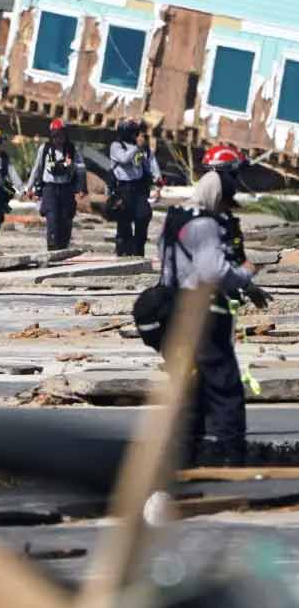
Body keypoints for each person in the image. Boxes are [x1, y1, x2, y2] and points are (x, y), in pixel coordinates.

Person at [158, 171, 270, 468]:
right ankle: (232, 454)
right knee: (224, 385)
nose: (225, 212)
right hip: (203, 313)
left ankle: (187, 453)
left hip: (173, 308)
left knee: (190, 384)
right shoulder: (205, 224)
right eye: (225, 204)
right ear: (217, 198)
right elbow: (213, 272)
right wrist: (246, 274)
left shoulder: (175, 216)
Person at [26, 119, 87, 251]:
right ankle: (52, 247)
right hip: (50, 189)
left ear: (65, 135)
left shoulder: (71, 149)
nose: (58, 139)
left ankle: (62, 248)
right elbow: (37, 168)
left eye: (60, 135)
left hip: (66, 189)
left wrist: (72, 166)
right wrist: (29, 188)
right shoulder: (45, 149)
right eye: (55, 136)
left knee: (66, 220)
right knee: (52, 218)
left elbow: (82, 168)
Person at [109, 119, 162, 257]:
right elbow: (124, 159)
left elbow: (148, 164)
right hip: (123, 189)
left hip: (138, 190)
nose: (136, 135)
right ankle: (123, 252)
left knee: (143, 216)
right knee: (124, 224)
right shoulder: (116, 146)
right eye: (134, 133)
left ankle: (138, 250)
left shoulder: (141, 149)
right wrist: (137, 148)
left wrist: (156, 180)